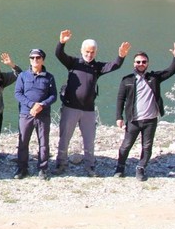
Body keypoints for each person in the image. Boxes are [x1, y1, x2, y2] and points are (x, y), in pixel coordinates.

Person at [55, 29, 131, 176]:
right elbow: (59, 54)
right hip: (70, 108)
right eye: (87, 51)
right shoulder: (73, 63)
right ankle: (60, 163)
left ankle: (90, 166)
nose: (89, 54)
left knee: (89, 140)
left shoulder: (97, 67)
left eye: (92, 52)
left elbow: (114, 65)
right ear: (82, 50)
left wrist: (121, 56)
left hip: (89, 111)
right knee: (64, 138)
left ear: (95, 52)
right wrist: (62, 42)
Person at [115, 43, 175, 181]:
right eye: (138, 62)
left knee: (147, 146)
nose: (141, 64)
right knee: (125, 145)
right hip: (133, 120)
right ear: (134, 63)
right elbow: (120, 99)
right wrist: (119, 117)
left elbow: (171, 71)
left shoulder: (154, 78)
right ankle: (120, 166)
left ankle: (141, 168)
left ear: (147, 63)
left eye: (143, 62)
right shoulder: (127, 80)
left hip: (151, 120)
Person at [14, 48, 58, 180]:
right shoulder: (23, 76)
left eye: (38, 58)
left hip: (43, 115)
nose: (35, 60)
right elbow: (18, 93)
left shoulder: (49, 77)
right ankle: (22, 168)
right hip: (26, 114)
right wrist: (32, 105)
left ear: (42, 60)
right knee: (23, 142)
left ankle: (43, 169)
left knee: (44, 142)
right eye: (32, 58)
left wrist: (42, 105)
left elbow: (54, 96)